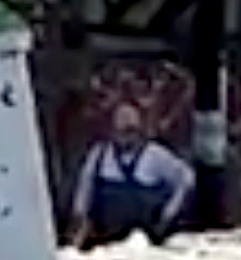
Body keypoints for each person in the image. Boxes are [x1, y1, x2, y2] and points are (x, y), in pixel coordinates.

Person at [67, 101, 195, 246]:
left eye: (131, 130)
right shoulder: (99, 156)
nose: (127, 136)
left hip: (146, 243)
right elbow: (84, 190)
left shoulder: (155, 155)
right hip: (106, 243)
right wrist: (80, 219)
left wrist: (168, 213)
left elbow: (186, 178)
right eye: (121, 130)